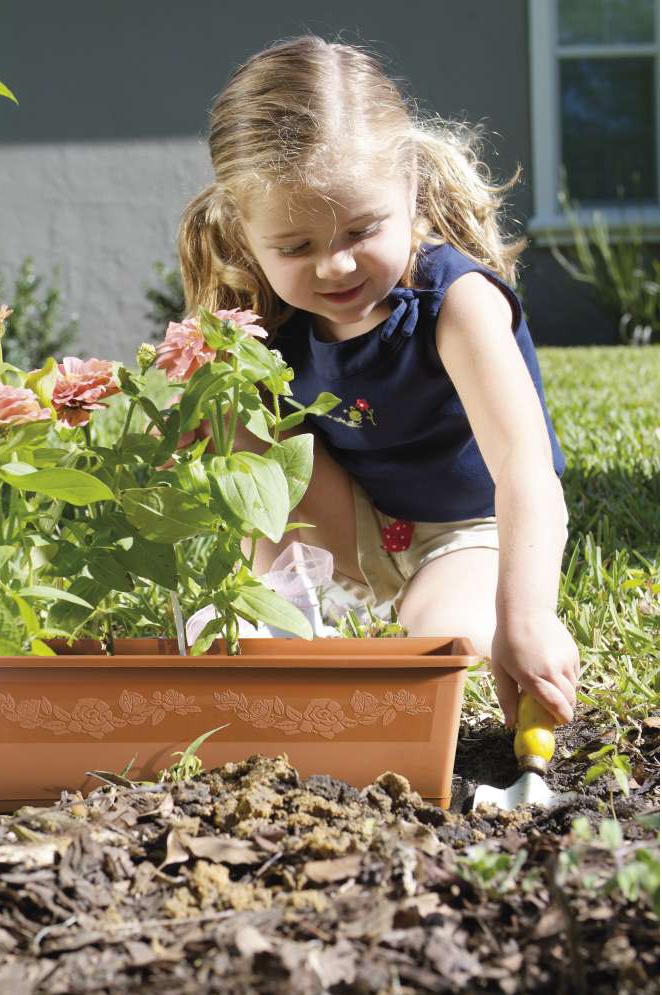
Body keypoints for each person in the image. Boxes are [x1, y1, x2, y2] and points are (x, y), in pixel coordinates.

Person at [173, 36, 579, 729]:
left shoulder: (456, 302)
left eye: (362, 229)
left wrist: (528, 614)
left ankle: (435, 610)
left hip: (466, 532)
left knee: (445, 641)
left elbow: (523, 464)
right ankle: (292, 610)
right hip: (351, 530)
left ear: (410, 191)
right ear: (246, 232)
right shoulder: (265, 317)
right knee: (223, 397)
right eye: (295, 248)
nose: (333, 267)